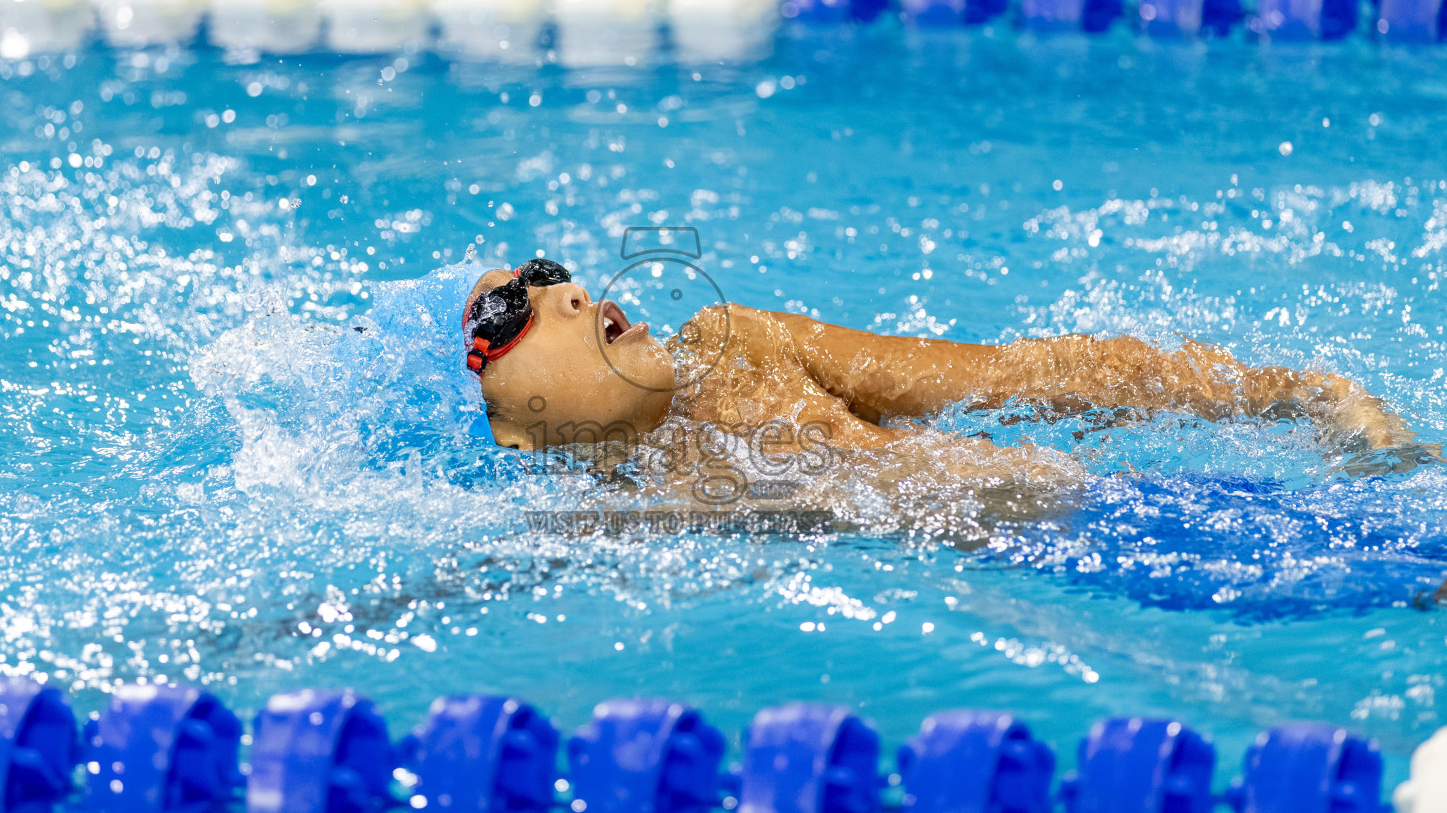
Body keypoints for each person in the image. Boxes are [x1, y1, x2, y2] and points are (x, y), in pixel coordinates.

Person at [455, 257, 1436, 487]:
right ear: (516, 425)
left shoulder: (735, 345)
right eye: (510, 308)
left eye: (553, 274)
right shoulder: (598, 531)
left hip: (1086, 504)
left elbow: (1019, 378)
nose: (566, 291)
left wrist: (1283, 394)